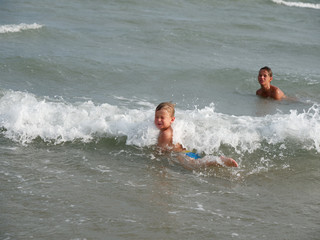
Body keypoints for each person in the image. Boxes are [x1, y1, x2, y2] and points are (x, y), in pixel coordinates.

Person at [154, 102, 238, 168]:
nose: (158, 120)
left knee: (195, 166)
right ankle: (219, 161)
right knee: (201, 163)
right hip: (187, 152)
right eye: (156, 117)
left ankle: (219, 160)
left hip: (182, 155)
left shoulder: (165, 133)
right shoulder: (171, 128)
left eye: (162, 117)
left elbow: (161, 151)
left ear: (172, 120)